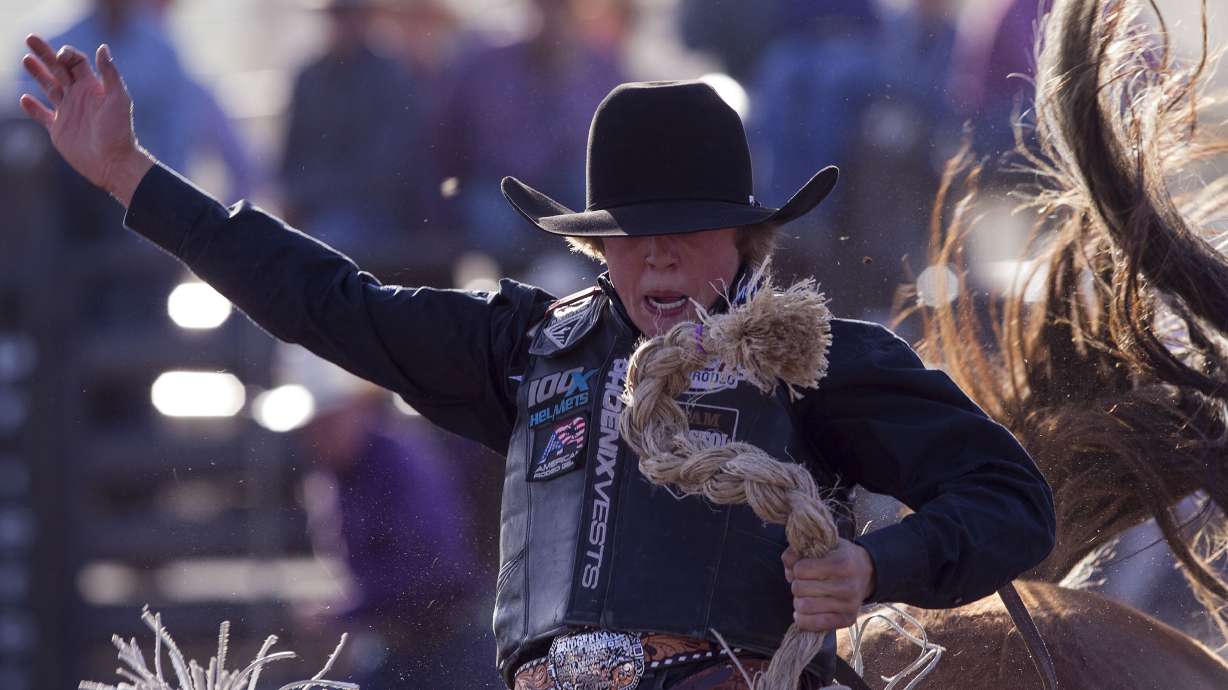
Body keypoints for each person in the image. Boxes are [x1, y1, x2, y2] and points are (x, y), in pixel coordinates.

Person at [18, 36, 1055, 689]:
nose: (656, 256)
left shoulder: (813, 362)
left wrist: (876, 567)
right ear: (596, 247)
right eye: (631, 234)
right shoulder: (523, 349)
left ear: (742, 243)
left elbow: (1010, 497)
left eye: (685, 232)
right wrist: (131, 176)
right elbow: (329, 302)